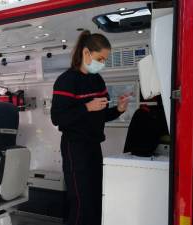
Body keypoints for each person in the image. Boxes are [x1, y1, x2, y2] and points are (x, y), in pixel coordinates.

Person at [50, 30, 129, 225]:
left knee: (95, 196)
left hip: (93, 146)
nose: (102, 63)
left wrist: (117, 110)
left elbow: (99, 115)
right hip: (75, 147)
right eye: (100, 58)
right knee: (81, 200)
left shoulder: (97, 80)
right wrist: (86, 107)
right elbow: (57, 118)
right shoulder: (66, 81)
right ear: (86, 53)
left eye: (104, 60)